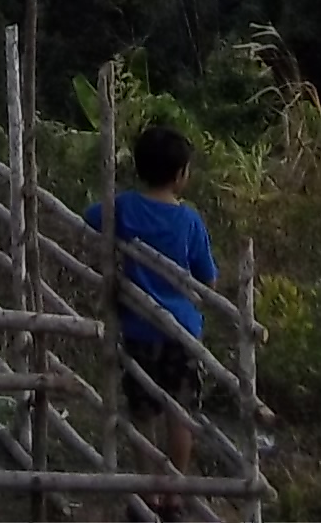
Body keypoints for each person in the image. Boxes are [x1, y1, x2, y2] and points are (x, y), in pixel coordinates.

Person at [85, 121, 218, 507]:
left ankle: (148, 491)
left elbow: (91, 217)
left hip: (140, 327)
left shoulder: (124, 207)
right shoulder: (189, 221)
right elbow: (207, 277)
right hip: (182, 330)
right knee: (180, 412)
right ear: (180, 175)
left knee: (142, 412)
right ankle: (174, 493)